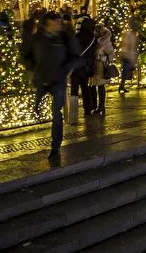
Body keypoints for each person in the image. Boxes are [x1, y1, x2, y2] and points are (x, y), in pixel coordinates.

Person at [24, 12, 81, 162]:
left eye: (58, 20)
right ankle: (37, 110)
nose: (58, 23)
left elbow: (76, 56)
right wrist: (33, 67)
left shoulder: (65, 37)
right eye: (55, 21)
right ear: (47, 23)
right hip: (41, 79)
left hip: (58, 81)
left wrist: (66, 68)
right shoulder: (37, 38)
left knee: (57, 113)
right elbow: (25, 54)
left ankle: (55, 146)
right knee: (37, 107)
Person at [88, 23, 115, 115]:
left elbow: (111, 54)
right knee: (92, 85)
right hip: (93, 64)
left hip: (101, 65)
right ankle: (94, 106)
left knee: (100, 86)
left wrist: (103, 58)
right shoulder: (94, 39)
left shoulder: (106, 41)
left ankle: (101, 106)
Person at [117, 17, 139, 94]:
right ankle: (121, 86)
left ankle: (122, 86)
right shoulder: (130, 35)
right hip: (127, 55)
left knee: (126, 71)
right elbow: (128, 45)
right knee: (126, 71)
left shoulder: (130, 34)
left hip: (128, 55)